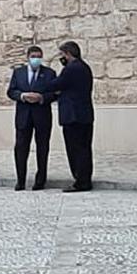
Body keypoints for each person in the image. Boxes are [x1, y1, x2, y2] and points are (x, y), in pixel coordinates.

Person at [6, 46, 57, 191]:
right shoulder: (18, 73)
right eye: (34, 56)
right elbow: (11, 91)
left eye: (39, 56)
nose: (36, 59)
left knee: (42, 148)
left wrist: (41, 98)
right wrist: (23, 96)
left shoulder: (49, 73)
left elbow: (55, 93)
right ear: (28, 57)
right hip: (23, 116)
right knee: (21, 148)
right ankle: (20, 180)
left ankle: (40, 180)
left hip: (42, 116)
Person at [51, 41, 95, 192]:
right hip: (85, 115)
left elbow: (56, 84)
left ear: (68, 54)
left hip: (73, 116)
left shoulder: (71, 69)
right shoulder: (84, 67)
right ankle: (85, 179)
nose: (61, 58)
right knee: (84, 149)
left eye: (62, 54)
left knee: (76, 150)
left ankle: (81, 181)